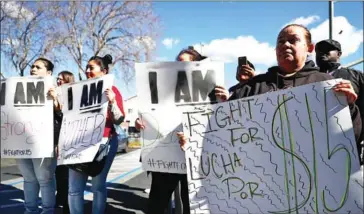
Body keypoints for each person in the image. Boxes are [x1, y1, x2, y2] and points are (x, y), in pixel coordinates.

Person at [178, 24, 362, 164]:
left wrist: (349, 108)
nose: (285, 45)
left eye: (293, 40)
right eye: (280, 41)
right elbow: (224, 126)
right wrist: (195, 139)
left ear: (309, 48)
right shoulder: (253, 87)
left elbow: (350, 139)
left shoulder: (325, 85)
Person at [136, 46, 207, 214]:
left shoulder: (208, 89)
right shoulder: (162, 88)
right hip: (165, 155)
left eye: (183, 62)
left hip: (193, 155)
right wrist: (141, 123)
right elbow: (150, 112)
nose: (178, 65)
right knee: (157, 203)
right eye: (177, 62)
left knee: (192, 204)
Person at [67, 54, 125, 214]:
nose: (87, 71)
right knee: (74, 189)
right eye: (86, 67)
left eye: (91, 68)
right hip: (78, 144)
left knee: (98, 186)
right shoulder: (79, 90)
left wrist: (112, 101)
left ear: (104, 71)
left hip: (103, 143)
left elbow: (119, 120)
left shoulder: (112, 90)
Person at [16, 57, 58, 214]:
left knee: (44, 179)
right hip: (21, 140)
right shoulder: (18, 89)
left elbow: (63, 116)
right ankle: (30, 210)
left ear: (48, 73)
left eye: (38, 67)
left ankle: (47, 211)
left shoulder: (56, 91)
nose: (33, 69)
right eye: (32, 66)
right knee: (28, 179)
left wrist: (55, 99)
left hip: (44, 142)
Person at [315, 39, 364, 163]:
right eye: (319, 51)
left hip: (348, 145)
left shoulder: (356, 76)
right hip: (315, 145)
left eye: (328, 50)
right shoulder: (309, 78)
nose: (322, 53)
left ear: (339, 54)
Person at [50, 71, 75, 214]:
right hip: (53, 138)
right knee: (57, 173)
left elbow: (66, 117)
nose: (58, 82)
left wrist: (56, 103)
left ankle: (66, 205)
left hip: (66, 139)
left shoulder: (72, 96)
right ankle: (60, 199)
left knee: (65, 174)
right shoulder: (53, 94)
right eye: (57, 79)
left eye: (62, 80)